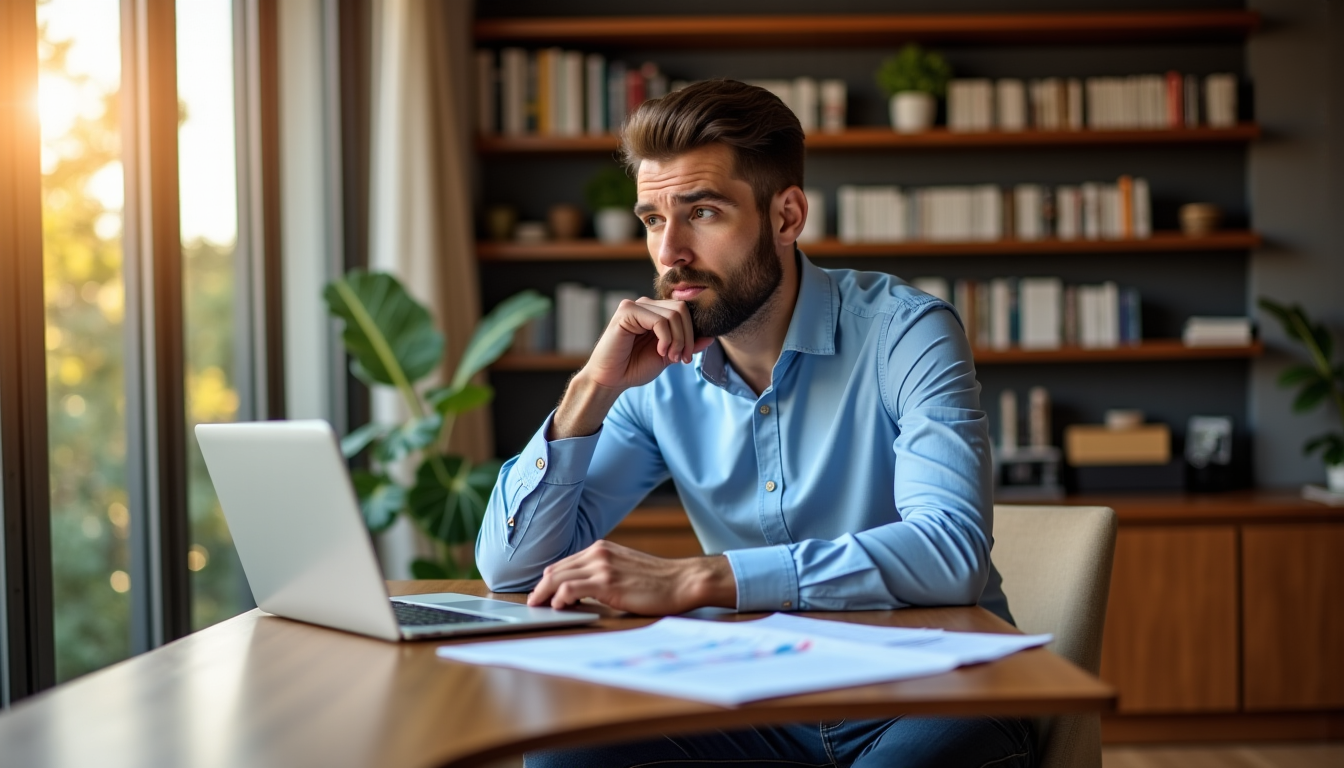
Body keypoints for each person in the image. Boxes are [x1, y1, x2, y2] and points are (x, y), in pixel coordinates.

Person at [475, 79, 1034, 768]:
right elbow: (509, 570)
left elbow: (948, 555)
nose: (669, 252)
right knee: (566, 754)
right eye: (652, 219)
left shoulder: (906, 333)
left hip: (928, 695)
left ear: (787, 215)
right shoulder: (657, 374)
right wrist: (592, 390)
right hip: (758, 699)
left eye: (702, 212)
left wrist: (700, 580)